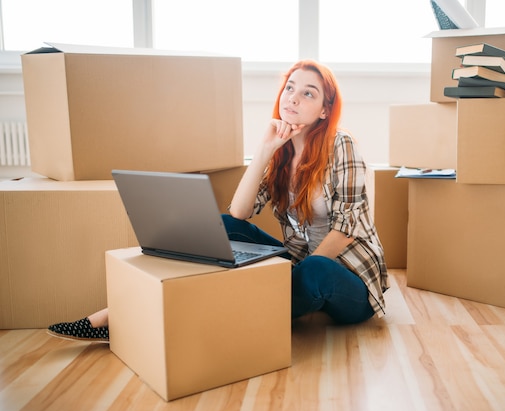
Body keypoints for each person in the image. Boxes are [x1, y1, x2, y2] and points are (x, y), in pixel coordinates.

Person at [47, 60, 388, 343]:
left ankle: (155, 319)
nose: (293, 98)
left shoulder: (341, 146)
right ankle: (122, 316)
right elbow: (239, 212)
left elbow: (345, 230)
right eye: (290, 88)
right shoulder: (281, 150)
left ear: (326, 110)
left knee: (314, 271)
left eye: (308, 93)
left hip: (346, 279)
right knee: (223, 228)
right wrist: (265, 149)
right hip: (297, 272)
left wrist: (292, 275)